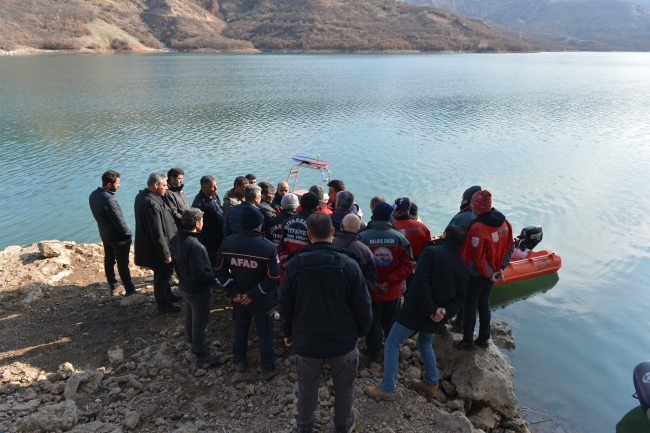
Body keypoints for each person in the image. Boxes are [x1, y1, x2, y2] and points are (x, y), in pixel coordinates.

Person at [279, 213, 372, 433]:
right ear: (333, 232)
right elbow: (363, 305)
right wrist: (361, 331)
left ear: (308, 235)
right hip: (343, 340)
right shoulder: (350, 265)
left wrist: (287, 332)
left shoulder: (294, 266)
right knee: (344, 389)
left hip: (306, 339)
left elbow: (285, 304)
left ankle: (305, 426)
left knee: (307, 388)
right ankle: (342, 425)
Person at [364, 225, 470, 401]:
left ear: (444, 235)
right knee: (425, 344)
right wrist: (443, 313)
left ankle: (387, 388)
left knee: (392, 342)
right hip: (437, 315)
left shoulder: (431, 253)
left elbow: (420, 283)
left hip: (416, 310)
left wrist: (430, 310)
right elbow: (460, 300)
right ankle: (431, 382)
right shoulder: (463, 268)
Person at [214, 206, 283, 381]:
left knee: (241, 328)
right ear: (259, 225)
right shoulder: (267, 247)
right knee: (265, 332)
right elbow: (274, 276)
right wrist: (252, 294)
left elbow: (219, 271)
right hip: (261, 299)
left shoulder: (227, 243)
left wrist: (235, 291)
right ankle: (267, 367)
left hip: (238, 298)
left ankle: (239, 361)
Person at [455, 190, 514, 351]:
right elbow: (511, 246)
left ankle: (467, 341)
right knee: (484, 305)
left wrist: (490, 274)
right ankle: (483, 339)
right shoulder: (505, 223)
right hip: (493, 273)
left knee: (470, 307)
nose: (471, 207)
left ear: (478, 207)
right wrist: (500, 269)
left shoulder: (478, 228)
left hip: (478, 275)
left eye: (472, 204)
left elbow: (477, 258)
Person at [359, 202, 413, 364]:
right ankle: (391, 353)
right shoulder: (400, 239)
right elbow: (408, 266)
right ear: (390, 217)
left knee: (373, 322)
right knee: (391, 323)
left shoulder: (362, 238)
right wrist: (388, 284)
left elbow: (357, 265)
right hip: (393, 292)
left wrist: (373, 283)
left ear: (374, 216)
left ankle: (374, 352)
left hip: (370, 292)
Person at [169, 209, 221, 368]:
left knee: (190, 315)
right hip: (198, 290)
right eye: (202, 221)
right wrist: (213, 278)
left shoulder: (176, 238)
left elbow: (176, 265)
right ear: (197, 223)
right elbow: (199, 275)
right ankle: (200, 354)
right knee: (200, 322)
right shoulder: (195, 245)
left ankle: (193, 340)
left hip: (184, 286)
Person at [134, 172, 181, 313]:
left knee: (164, 273)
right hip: (157, 248)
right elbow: (157, 232)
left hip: (152, 245)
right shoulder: (152, 204)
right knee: (161, 275)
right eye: (165, 185)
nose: (167, 188)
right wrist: (166, 253)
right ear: (156, 185)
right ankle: (163, 304)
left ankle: (169, 295)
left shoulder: (142, 196)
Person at [89, 170, 137, 296]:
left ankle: (114, 284)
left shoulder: (93, 195)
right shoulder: (109, 200)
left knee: (109, 260)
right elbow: (119, 221)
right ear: (109, 184)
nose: (119, 185)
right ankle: (130, 290)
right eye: (118, 183)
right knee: (122, 264)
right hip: (118, 238)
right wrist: (128, 234)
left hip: (105, 234)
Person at [446, 185, 481, 333]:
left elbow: (447, 237)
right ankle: (460, 324)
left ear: (467, 200)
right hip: (478, 267)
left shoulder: (462, 217)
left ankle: (442, 322)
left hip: (460, 262)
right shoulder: (486, 217)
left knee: (451, 293)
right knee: (469, 300)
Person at [332, 214, 377, 292]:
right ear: (358, 230)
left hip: (331, 295)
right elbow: (370, 279)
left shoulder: (328, 243)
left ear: (341, 226)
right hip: (355, 298)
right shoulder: (365, 251)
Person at [277, 192, 320, 266]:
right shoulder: (315, 224)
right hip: (307, 268)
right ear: (316, 207)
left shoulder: (286, 221)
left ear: (300, 205)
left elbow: (282, 247)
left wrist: (286, 265)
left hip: (289, 267)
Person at [191, 175, 224, 265]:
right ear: (204, 188)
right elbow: (196, 226)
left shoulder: (214, 195)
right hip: (210, 239)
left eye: (215, 185)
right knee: (213, 262)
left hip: (220, 234)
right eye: (212, 187)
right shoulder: (198, 204)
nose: (216, 188)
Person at [391, 197, 431, 261]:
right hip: (418, 264)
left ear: (397, 212)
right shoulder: (423, 227)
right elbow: (428, 246)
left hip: (400, 265)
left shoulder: (392, 228)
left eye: (393, 210)